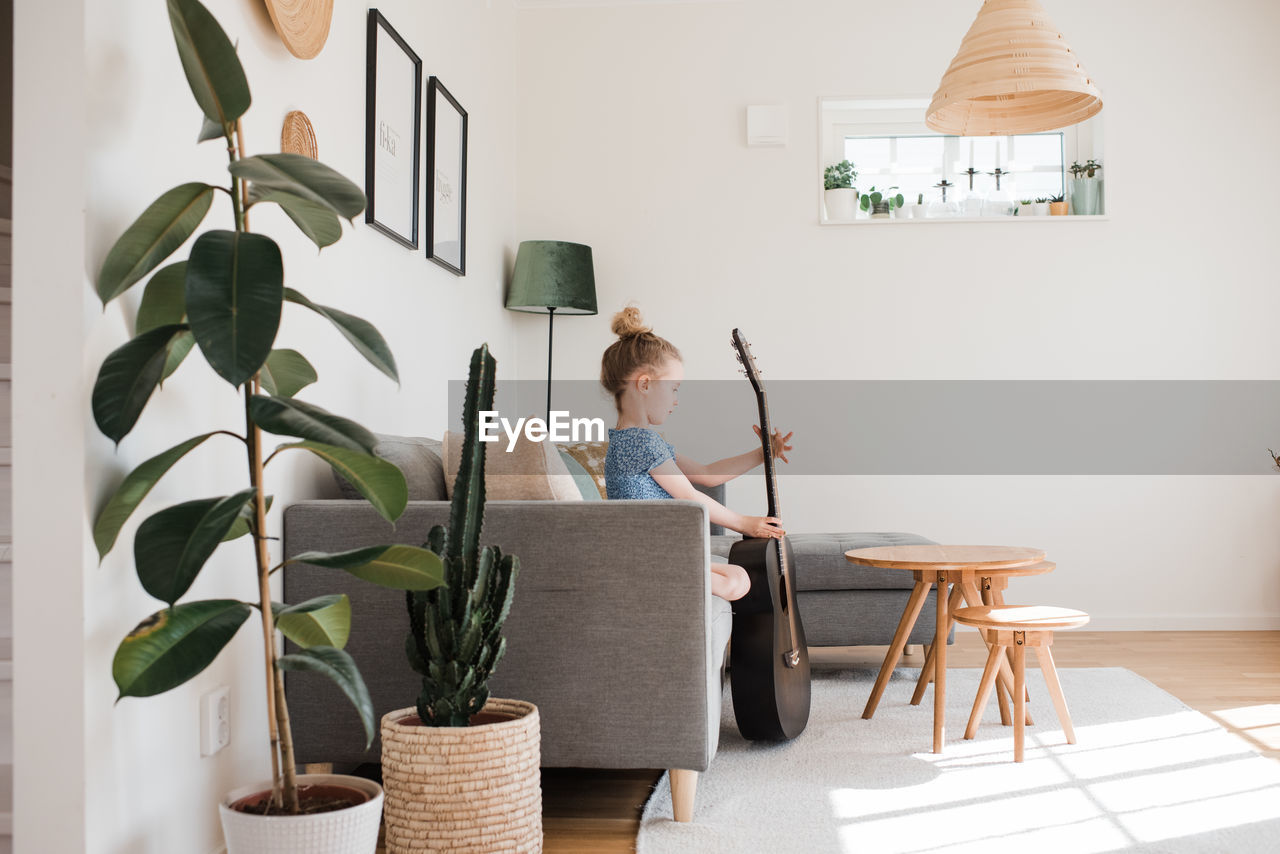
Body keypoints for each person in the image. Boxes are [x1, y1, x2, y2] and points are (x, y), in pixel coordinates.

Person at [601, 306, 793, 601]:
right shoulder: (640, 443)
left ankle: (663, 578)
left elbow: (707, 475)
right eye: (674, 389)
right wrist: (744, 523)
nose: (676, 400)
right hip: (648, 554)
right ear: (644, 384)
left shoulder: (634, 441)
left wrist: (764, 453)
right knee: (736, 582)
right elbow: (690, 496)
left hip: (655, 551)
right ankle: (655, 582)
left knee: (738, 577)